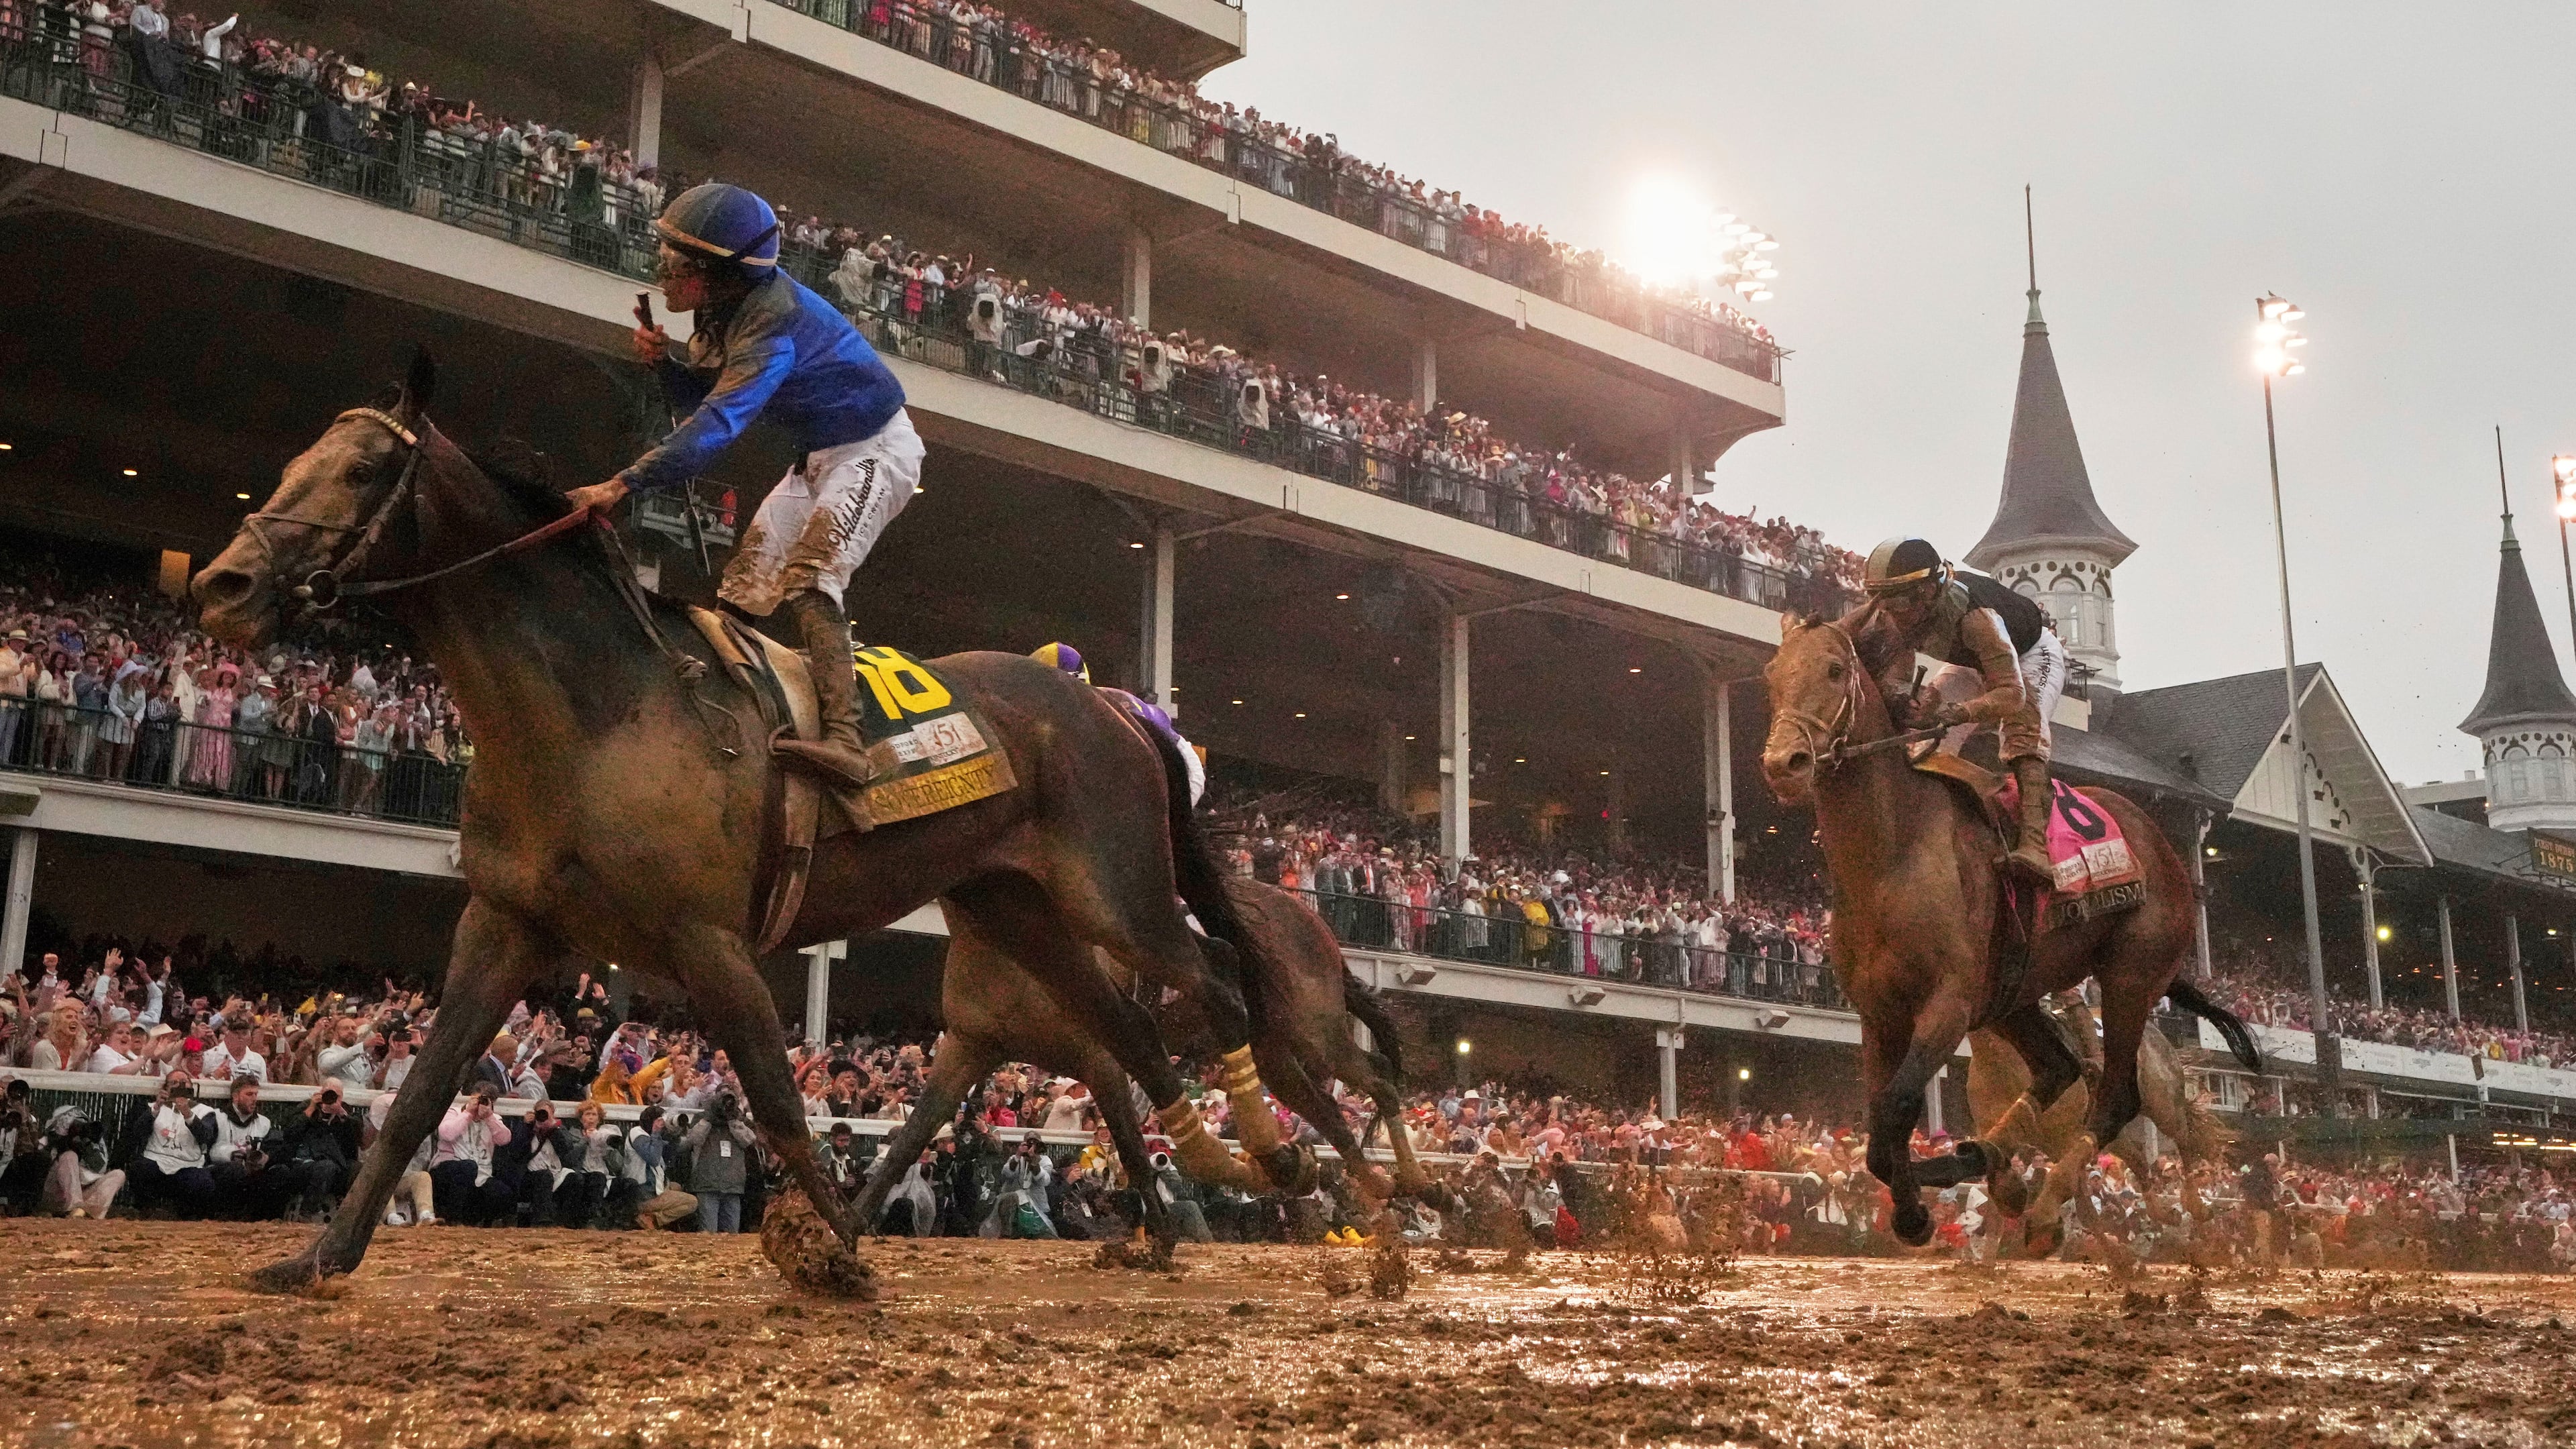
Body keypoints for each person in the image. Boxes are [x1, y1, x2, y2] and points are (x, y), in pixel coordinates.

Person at [563, 182, 920, 810]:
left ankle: (847, 743)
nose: (662, 275)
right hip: (818, 457)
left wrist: (621, 484)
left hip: (877, 448)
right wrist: (665, 367)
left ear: (715, 275)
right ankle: (728, 719)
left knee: (809, 580)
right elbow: (699, 403)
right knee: (741, 589)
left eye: (675, 265)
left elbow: (715, 429)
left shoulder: (771, 324)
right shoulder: (723, 312)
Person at [1856, 537, 2068, 883]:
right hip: (1971, 664)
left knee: (2022, 726)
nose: (1890, 613)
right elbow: (1896, 674)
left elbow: (2011, 694)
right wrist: (1899, 698)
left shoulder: (1977, 619)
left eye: (1899, 602)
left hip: (2030, 655)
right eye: (1883, 601)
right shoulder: (1898, 613)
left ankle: (2034, 845)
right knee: (1921, 741)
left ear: (1927, 592)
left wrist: (1959, 713)